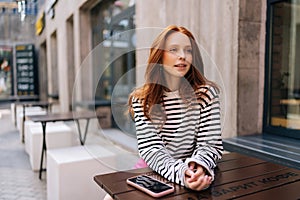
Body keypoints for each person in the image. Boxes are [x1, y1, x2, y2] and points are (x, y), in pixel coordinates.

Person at [128, 25, 223, 191]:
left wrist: (197, 169)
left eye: (188, 50)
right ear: (159, 56)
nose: (182, 56)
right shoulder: (142, 99)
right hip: (152, 170)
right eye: (173, 50)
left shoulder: (206, 94)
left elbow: (210, 144)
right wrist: (182, 174)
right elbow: (151, 149)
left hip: (195, 170)